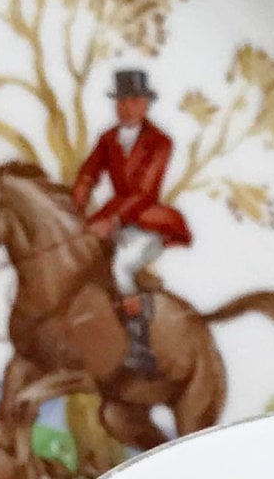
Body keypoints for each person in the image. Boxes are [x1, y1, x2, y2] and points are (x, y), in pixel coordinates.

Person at [71, 68, 194, 377]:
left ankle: (140, 344)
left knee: (121, 266)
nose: (125, 108)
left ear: (145, 104)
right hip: (112, 218)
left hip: (148, 223)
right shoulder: (108, 138)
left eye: (133, 101)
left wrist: (112, 221)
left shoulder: (160, 142)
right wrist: (77, 202)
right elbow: (88, 173)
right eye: (121, 101)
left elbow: (142, 192)